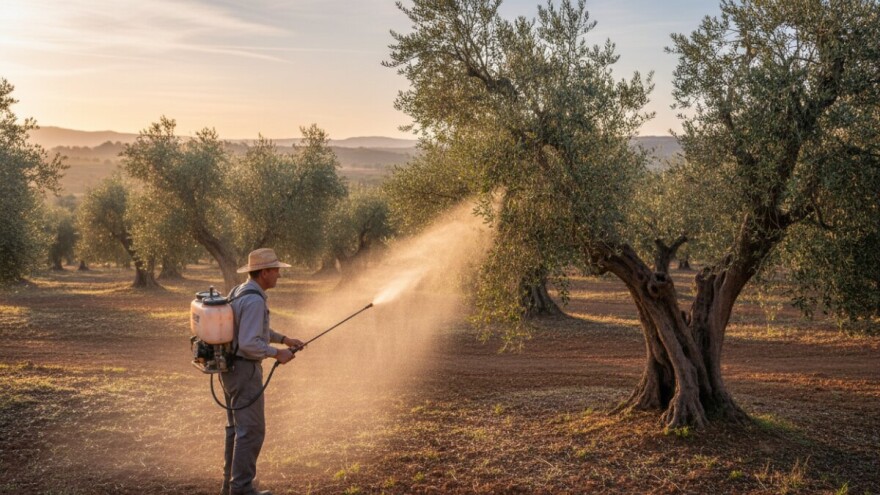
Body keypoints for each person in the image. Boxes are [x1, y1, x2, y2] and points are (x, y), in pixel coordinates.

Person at [220, 248, 304, 495]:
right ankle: (242, 489)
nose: (279, 274)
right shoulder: (255, 300)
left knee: (235, 428)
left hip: (231, 369)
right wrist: (277, 353)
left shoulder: (239, 291)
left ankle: (231, 485)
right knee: (252, 430)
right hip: (245, 371)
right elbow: (249, 342)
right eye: (275, 270)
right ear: (264, 272)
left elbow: (253, 329)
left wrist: (284, 339)